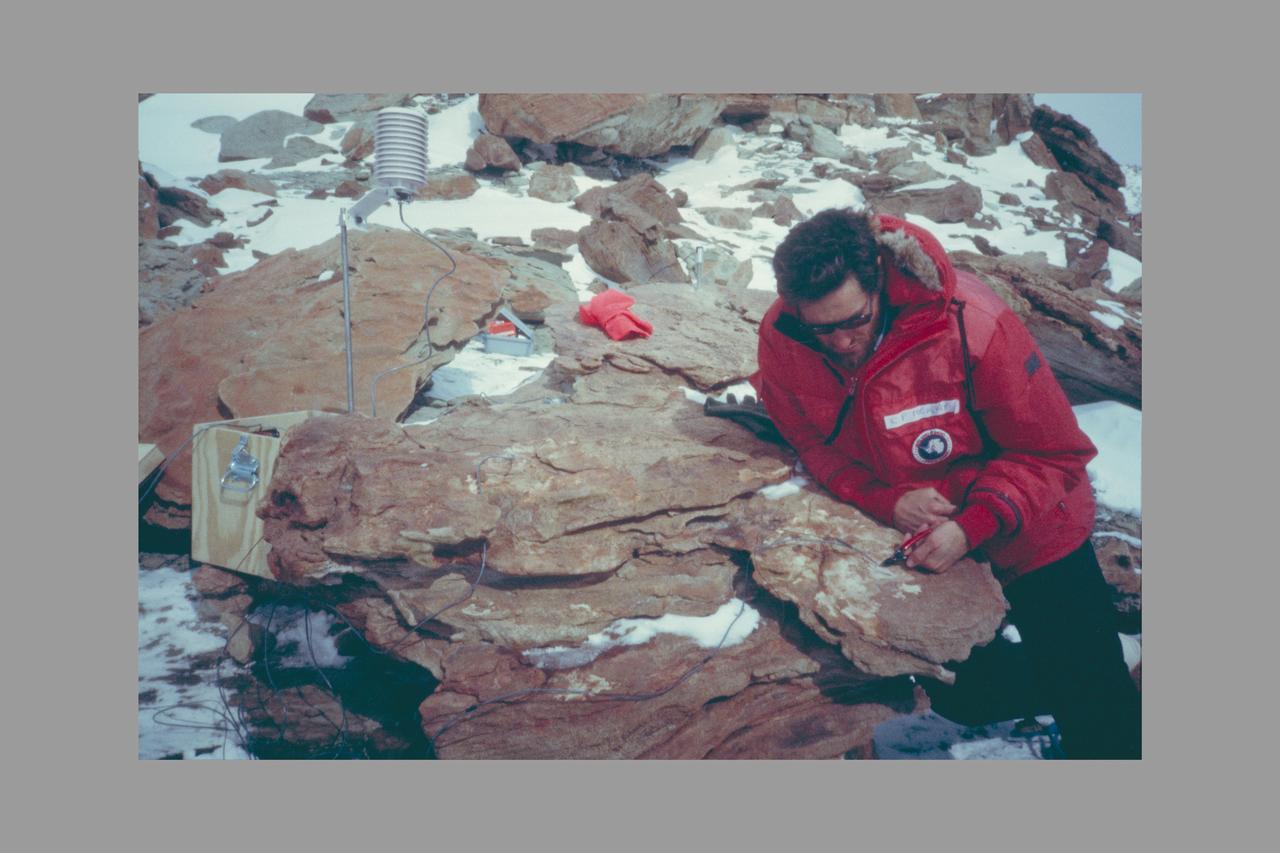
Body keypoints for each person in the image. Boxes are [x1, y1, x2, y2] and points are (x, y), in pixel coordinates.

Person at [751, 207, 1141, 759]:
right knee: (965, 696)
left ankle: (1097, 680)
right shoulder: (784, 337)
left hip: (1033, 529)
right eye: (822, 328)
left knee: (1100, 717)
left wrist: (972, 525)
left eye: (853, 321)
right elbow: (811, 441)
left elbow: (1054, 453)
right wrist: (887, 500)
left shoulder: (971, 325)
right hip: (926, 535)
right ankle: (1082, 671)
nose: (838, 342)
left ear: (880, 283)